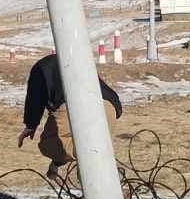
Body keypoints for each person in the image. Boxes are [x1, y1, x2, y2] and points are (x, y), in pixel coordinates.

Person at [17, 52, 123, 182]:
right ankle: (98, 162)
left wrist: (31, 125)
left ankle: (92, 158)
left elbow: (35, 99)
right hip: (108, 105)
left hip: (72, 104)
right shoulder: (76, 60)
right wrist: (56, 164)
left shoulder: (39, 69)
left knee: (47, 144)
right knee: (95, 141)